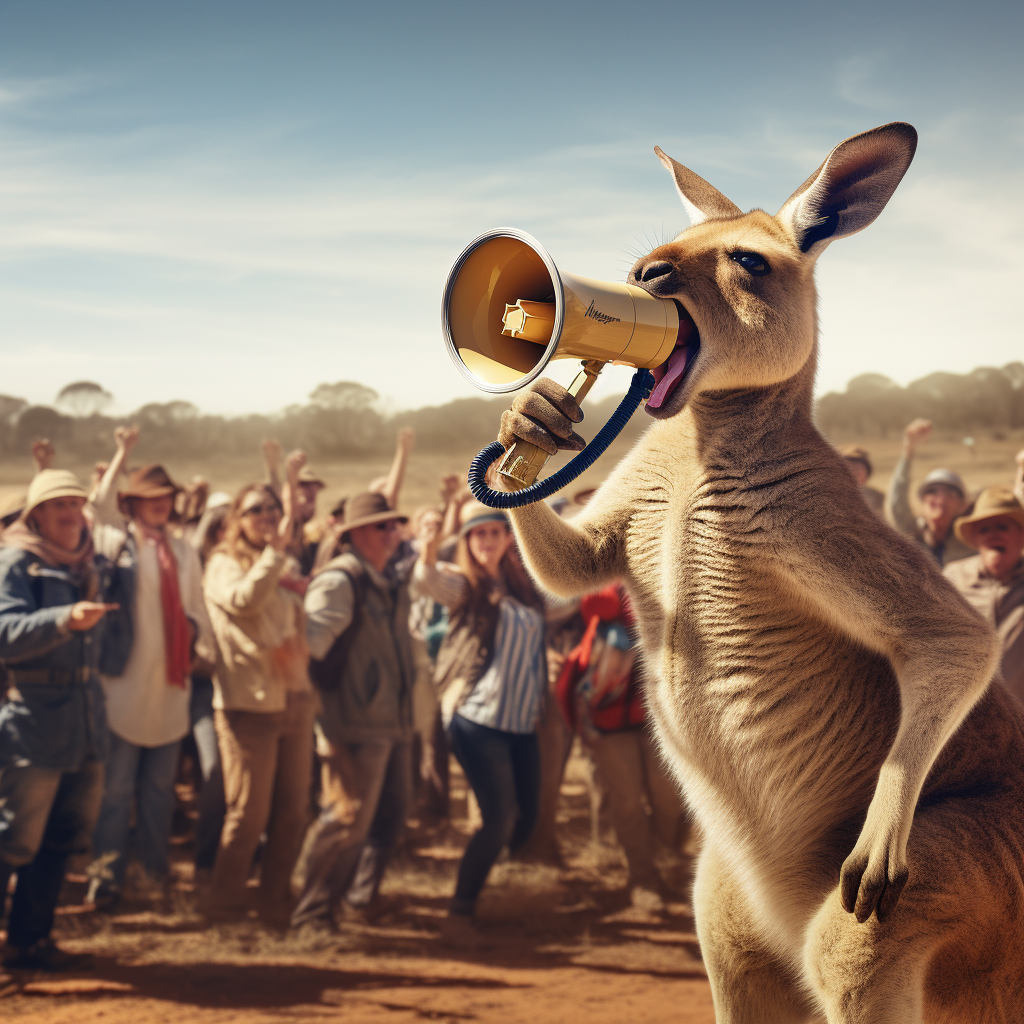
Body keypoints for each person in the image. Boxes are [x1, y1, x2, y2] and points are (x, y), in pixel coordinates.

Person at [87, 427, 214, 906]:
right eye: (150, 497)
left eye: (167, 496)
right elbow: (95, 507)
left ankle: (154, 876)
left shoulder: (182, 550)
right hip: (122, 685)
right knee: (116, 791)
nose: (162, 503)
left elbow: (197, 607)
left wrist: (194, 638)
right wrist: (122, 453)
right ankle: (106, 881)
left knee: (160, 790)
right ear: (133, 504)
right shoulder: (114, 544)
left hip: (170, 685)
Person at [0, 470, 119, 970]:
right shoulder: (17, 565)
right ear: (38, 516)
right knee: (13, 840)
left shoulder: (90, 564)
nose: (72, 515)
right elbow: (4, 632)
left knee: (62, 837)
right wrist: (63, 620)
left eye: (77, 504)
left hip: (86, 718)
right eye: (60, 506)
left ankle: (31, 940)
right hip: (34, 717)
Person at [412, 502, 548, 941]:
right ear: (467, 542)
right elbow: (426, 580)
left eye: (494, 532)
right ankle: (458, 914)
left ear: (508, 537)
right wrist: (430, 546)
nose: (487, 541)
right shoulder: (465, 584)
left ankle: (492, 885)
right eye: (478, 535)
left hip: (521, 721)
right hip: (477, 719)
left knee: (526, 818)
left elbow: (563, 607)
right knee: (498, 818)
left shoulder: (524, 585)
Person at [291, 492, 415, 931]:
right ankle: (312, 916)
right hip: (354, 725)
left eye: (395, 524)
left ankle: (359, 902)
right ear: (356, 534)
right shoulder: (341, 581)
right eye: (382, 526)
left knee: (390, 816)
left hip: (391, 720)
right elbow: (308, 649)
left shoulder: (383, 578)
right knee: (345, 824)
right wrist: (326, 724)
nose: (392, 532)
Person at [202, 455, 316, 928]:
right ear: (237, 521)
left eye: (271, 511)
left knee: (292, 813)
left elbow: (288, 618)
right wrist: (275, 554)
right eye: (255, 511)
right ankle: (225, 907)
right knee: (248, 816)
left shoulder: (280, 562)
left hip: (293, 700)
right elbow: (245, 601)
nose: (266, 518)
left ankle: (274, 902)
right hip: (248, 706)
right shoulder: (222, 565)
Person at [556, 584, 688, 908]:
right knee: (627, 802)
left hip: (660, 717)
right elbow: (596, 605)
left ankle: (665, 862)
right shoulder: (607, 575)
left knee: (670, 799)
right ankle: (643, 879)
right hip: (608, 717)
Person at [944, 487, 1024, 704]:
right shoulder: (953, 578)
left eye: (1002, 526)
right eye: (984, 529)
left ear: (1021, 535)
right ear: (977, 540)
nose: (993, 534)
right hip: (963, 716)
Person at [885, 418, 973, 565]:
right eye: (932, 491)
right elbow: (897, 505)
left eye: (950, 493)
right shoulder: (913, 536)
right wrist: (908, 451)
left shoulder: (971, 542)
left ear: (962, 505)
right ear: (923, 502)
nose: (940, 498)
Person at [840, 445, 885, 516]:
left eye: (860, 467)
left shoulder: (877, 497)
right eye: (850, 467)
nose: (856, 470)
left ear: (867, 473)